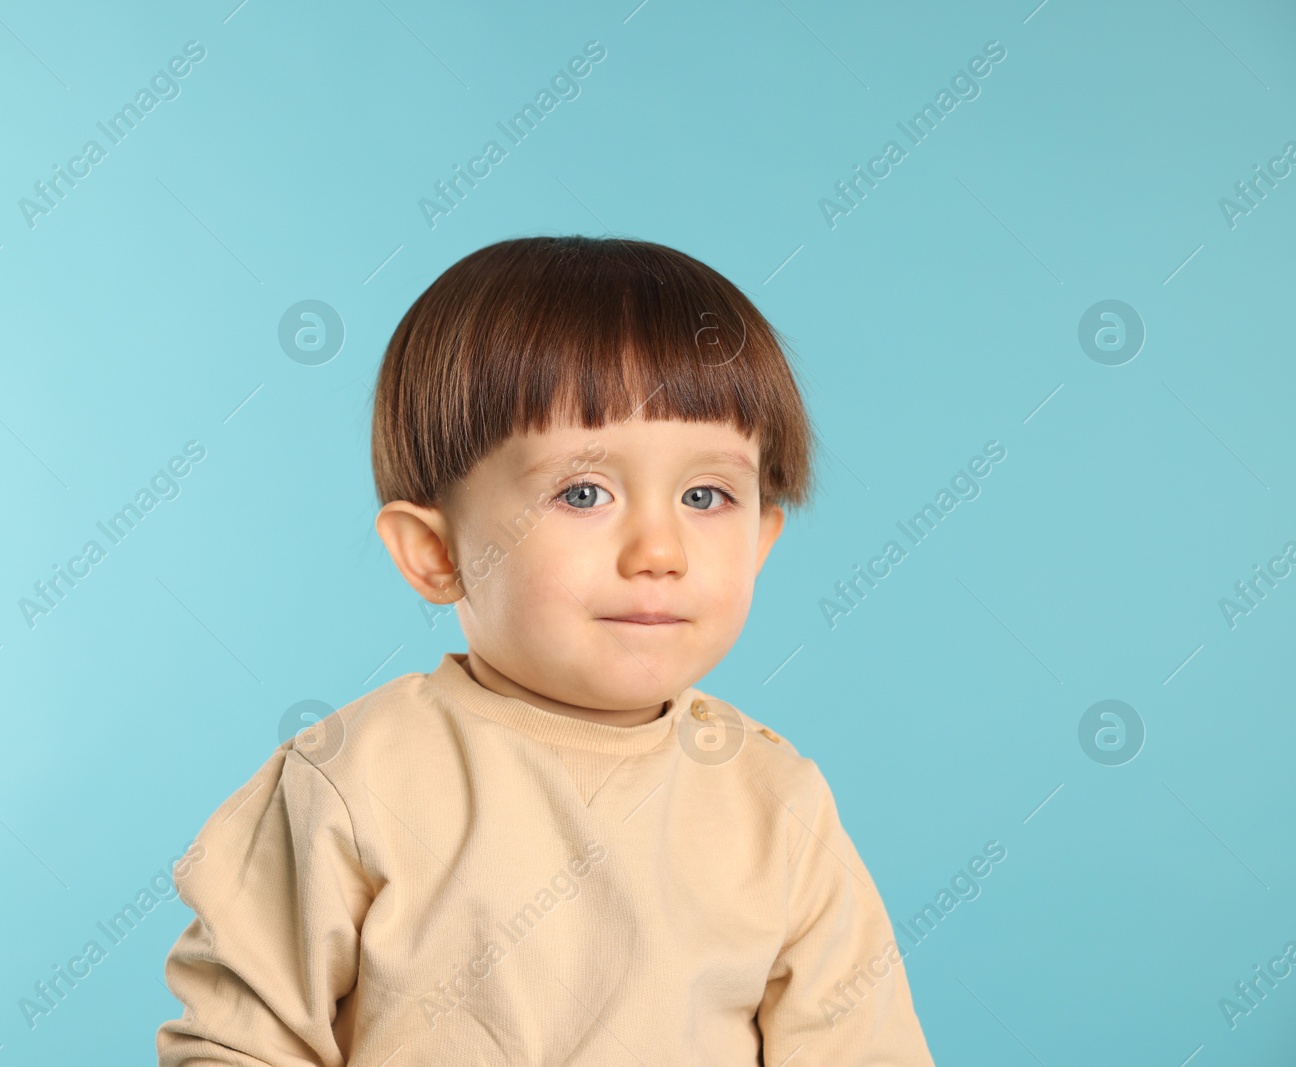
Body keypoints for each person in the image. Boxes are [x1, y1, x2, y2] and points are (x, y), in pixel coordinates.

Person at [156, 235, 936, 1065]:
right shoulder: (353, 780)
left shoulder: (778, 804)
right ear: (437, 551)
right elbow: (235, 1044)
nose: (659, 550)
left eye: (706, 495)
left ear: (762, 539)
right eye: (583, 492)